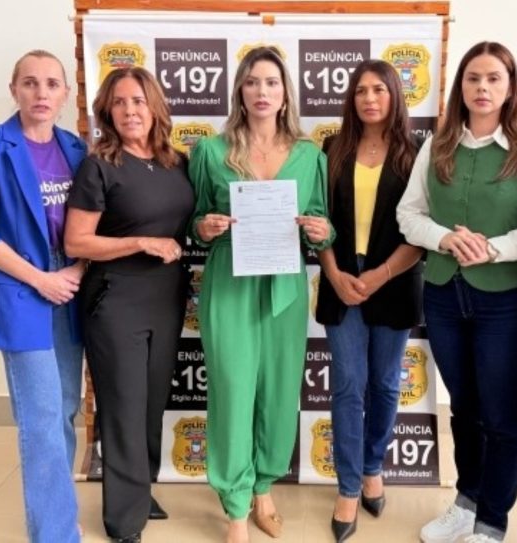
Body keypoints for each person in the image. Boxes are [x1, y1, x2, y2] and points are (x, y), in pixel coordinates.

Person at [397, 41, 517, 543]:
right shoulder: (437, 145)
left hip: (499, 302)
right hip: (443, 296)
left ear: (510, 88)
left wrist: (491, 249)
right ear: (460, 86)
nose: (482, 87)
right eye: (473, 78)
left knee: (500, 415)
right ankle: (467, 501)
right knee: (463, 408)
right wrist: (444, 238)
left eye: (493, 78)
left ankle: (492, 520)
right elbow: (409, 214)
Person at [188, 45, 332, 543]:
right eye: (252, 82)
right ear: (240, 92)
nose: (262, 91)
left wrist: (321, 230)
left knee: (278, 390)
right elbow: (193, 221)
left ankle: (264, 489)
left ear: (285, 93)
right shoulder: (210, 152)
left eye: (271, 82)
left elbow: (323, 222)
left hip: (285, 286)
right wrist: (204, 227)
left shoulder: (310, 155)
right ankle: (235, 507)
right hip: (230, 284)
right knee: (232, 392)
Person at [0, 49, 86, 542]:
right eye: (30, 83)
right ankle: (54, 534)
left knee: (66, 406)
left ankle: (58, 511)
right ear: (14, 89)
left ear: (65, 93)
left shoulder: (75, 148)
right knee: (41, 414)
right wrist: (39, 278)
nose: (41, 93)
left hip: (69, 284)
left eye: (52, 84)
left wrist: (77, 268)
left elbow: (91, 222)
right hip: (20, 289)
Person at [64, 66, 193, 543]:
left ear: (154, 106)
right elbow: (77, 241)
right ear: (107, 111)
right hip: (116, 300)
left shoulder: (176, 162)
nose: (129, 110)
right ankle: (123, 520)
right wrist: (141, 242)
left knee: (152, 406)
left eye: (138, 100)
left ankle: (140, 490)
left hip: (166, 299)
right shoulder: (99, 166)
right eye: (119, 102)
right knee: (122, 408)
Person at [315, 59, 423, 542]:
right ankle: (348, 487)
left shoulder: (416, 154)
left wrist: (379, 275)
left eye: (379, 89)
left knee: (383, 384)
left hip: (394, 281)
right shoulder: (332, 149)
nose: (369, 98)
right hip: (341, 281)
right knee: (347, 386)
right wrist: (334, 273)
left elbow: (420, 231)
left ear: (394, 95)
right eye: (361, 90)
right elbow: (317, 217)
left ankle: (374, 465)